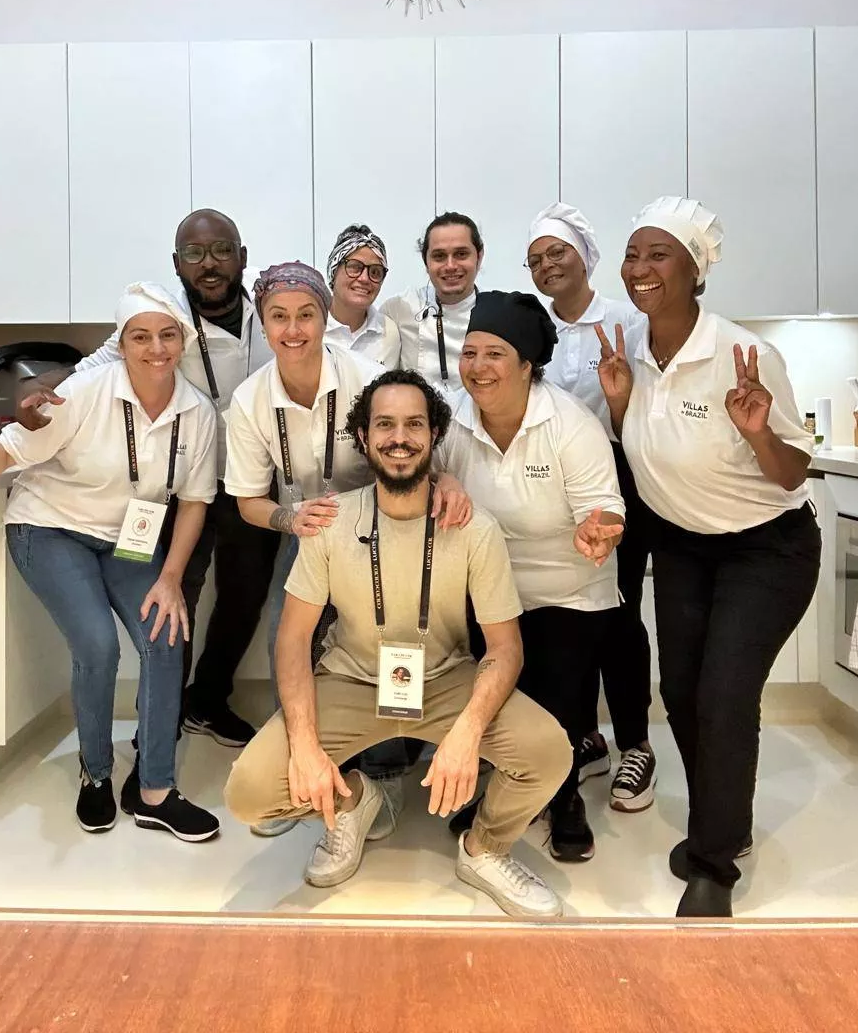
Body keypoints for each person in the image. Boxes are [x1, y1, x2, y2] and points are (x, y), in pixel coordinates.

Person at [224, 369, 574, 918]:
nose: (400, 438)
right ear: (363, 437)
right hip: (350, 679)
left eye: (414, 424)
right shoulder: (331, 522)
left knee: (549, 753)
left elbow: (505, 648)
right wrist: (307, 745)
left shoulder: (474, 528)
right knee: (250, 793)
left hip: (446, 680)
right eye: (384, 425)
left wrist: (468, 732)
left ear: (435, 435)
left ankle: (485, 849)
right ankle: (355, 803)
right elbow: (292, 640)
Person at [0, 284, 220, 842]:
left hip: (125, 539)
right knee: (97, 645)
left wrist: (171, 579)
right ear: (121, 343)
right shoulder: (86, 391)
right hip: (50, 528)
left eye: (167, 335)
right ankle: (95, 774)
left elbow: (194, 502)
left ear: (184, 340)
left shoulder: (196, 412)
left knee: (166, 635)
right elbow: (7, 449)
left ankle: (155, 790)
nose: (156, 349)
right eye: (140, 337)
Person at [595, 196, 821, 917]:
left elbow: (792, 474)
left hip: (767, 548)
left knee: (724, 696)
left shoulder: (741, 353)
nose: (640, 267)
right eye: (633, 254)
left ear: (696, 271)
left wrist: (757, 431)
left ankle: (714, 863)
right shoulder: (631, 349)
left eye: (659, 254)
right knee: (683, 693)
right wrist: (620, 404)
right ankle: (725, 824)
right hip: (683, 545)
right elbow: (651, 446)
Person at [223, 262, 469, 839]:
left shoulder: (366, 377)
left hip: (382, 527)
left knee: (381, 638)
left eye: (306, 315)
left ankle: (382, 776)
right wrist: (289, 518)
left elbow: (419, 443)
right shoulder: (250, 400)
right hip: (308, 531)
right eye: (278, 317)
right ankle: (300, 770)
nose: (293, 330)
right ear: (263, 323)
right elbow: (248, 501)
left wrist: (450, 480)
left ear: (324, 316)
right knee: (288, 641)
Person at [20, 208, 278, 752]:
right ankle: (159, 719)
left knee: (244, 597)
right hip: (180, 481)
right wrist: (45, 392)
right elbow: (96, 364)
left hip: (252, 482)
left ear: (242, 257)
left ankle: (208, 700)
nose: (208, 264)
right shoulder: (165, 316)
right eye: (194, 254)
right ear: (177, 264)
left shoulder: (271, 309)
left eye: (221, 250)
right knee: (174, 595)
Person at [434, 290, 626, 863]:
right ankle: (501, 791)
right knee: (491, 696)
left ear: (526, 366)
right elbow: (424, 472)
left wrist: (600, 528)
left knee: (559, 701)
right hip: (486, 587)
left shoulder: (569, 423)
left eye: (495, 354)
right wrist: (442, 481)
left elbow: (605, 506)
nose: (478, 367)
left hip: (568, 586)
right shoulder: (451, 419)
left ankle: (564, 799)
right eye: (470, 353)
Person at [525, 203, 656, 813]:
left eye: (558, 252)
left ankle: (636, 743)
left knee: (618, 613)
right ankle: (584, 736)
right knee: (568, 616)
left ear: (585, 256)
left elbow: (651, 420)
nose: (547, 265)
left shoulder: (630, 321)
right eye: (535, 259)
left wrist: (620, 402)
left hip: (621, 479)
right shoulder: (535, 331)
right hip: (551, 488)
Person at [382, 212, 484, 394]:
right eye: (439, 256)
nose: (450, 266)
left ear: (479, 256)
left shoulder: (500, 314)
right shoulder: (398, 310)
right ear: (426, 262)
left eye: (461, 254)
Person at [324, 224, 402, 367]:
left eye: (375, 272)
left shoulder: (389, 332)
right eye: (355, 267)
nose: (364, 279)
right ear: (333, 271)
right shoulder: (311, 326)